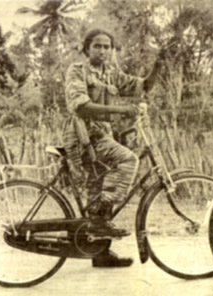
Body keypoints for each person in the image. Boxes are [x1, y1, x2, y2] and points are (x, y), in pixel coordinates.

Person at [63, 29, 161, 267]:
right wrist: (121, 110)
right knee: (128, 160)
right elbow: (82, 107)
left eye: (107, 46)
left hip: (101, 137)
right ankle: (100, 216)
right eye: (97, 46)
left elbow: (142, 86)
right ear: (87, 49)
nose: (103, 50)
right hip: (82, 137)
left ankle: (100, 252)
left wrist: (160, 63)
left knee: (96, 189)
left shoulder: (110, 73)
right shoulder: (78, 71)